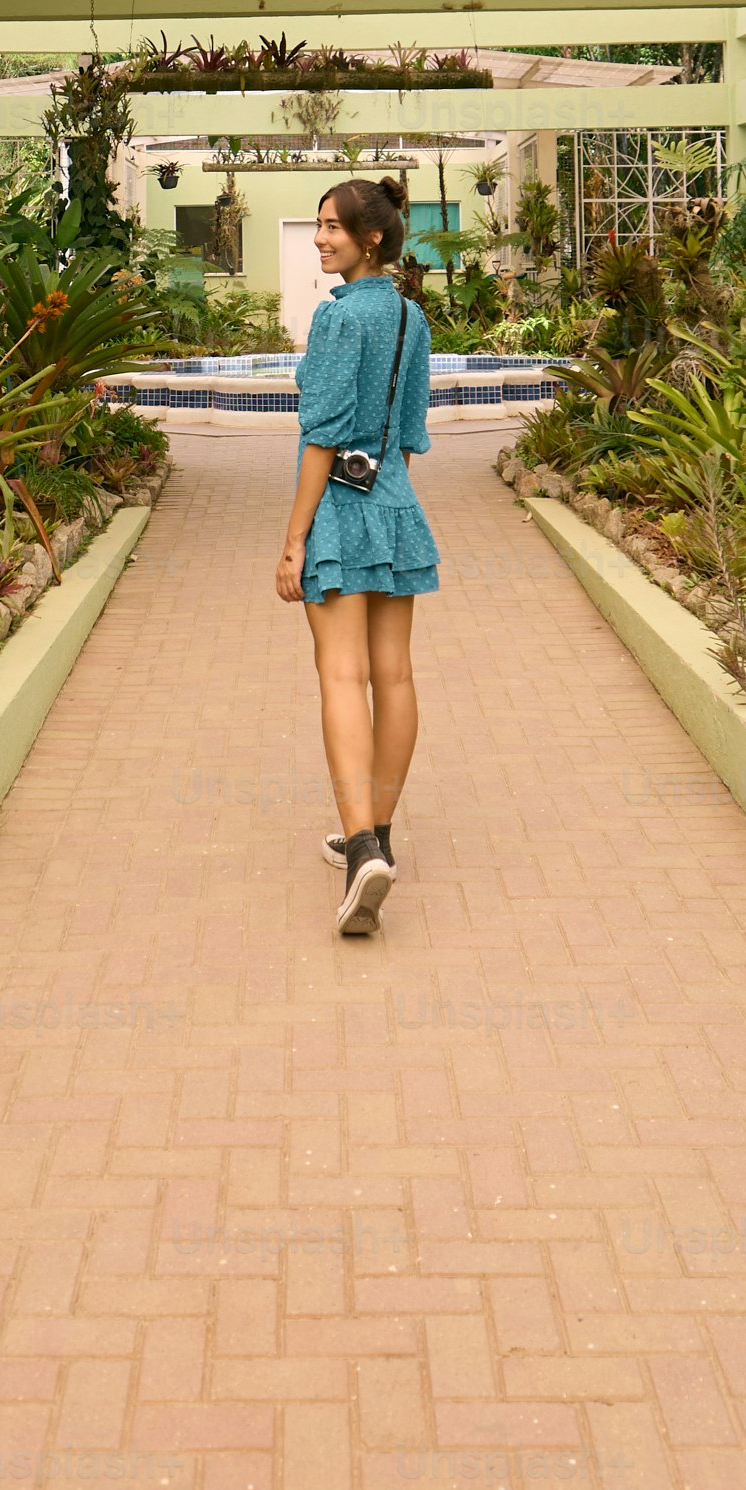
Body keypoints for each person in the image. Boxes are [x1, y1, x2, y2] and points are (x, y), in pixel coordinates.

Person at [277, 177, 434, 936]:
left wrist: (294, 537)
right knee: (395, 673)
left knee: (341, 673)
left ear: (370, 237)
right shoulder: (411, 316)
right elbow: (408, 433)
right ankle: (376, 834)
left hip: (339, 507)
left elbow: (322, 435)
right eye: (316, 226)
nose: (319, 239)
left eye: (332, 227)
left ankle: (362, 846)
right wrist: (391, 499)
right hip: (397, 503)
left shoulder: (337, 320)